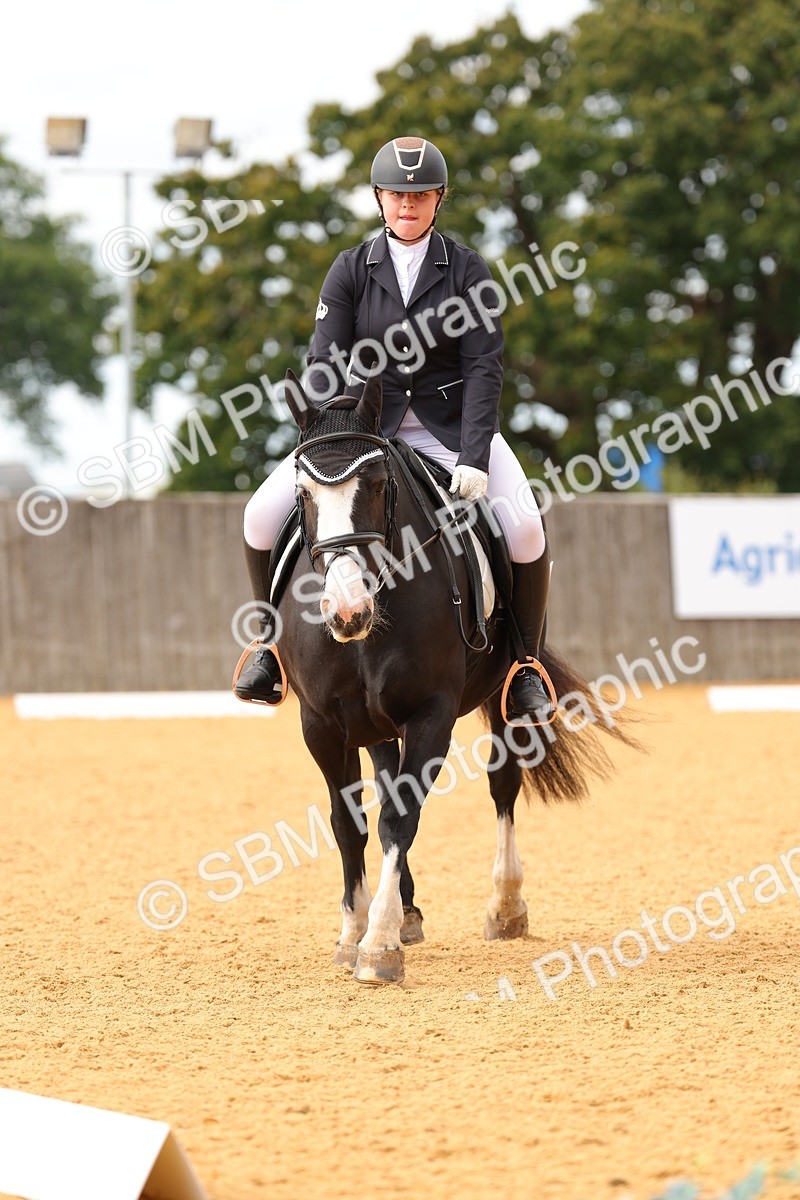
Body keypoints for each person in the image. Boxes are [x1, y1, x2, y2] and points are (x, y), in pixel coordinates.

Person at [236, 135, 552, 720]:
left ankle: (523, 667)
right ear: (380, 198)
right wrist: (332, 437)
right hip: (365, 431)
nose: (408, 205)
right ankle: (267, 651)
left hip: (449, 429)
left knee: (526, 528)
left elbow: (484, 366)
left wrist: (475, 456)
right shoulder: (352, 269)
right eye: (397, 194)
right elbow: (325, 361)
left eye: (421, 195)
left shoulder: (466, 269)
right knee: (258, 515)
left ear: (438, 199)